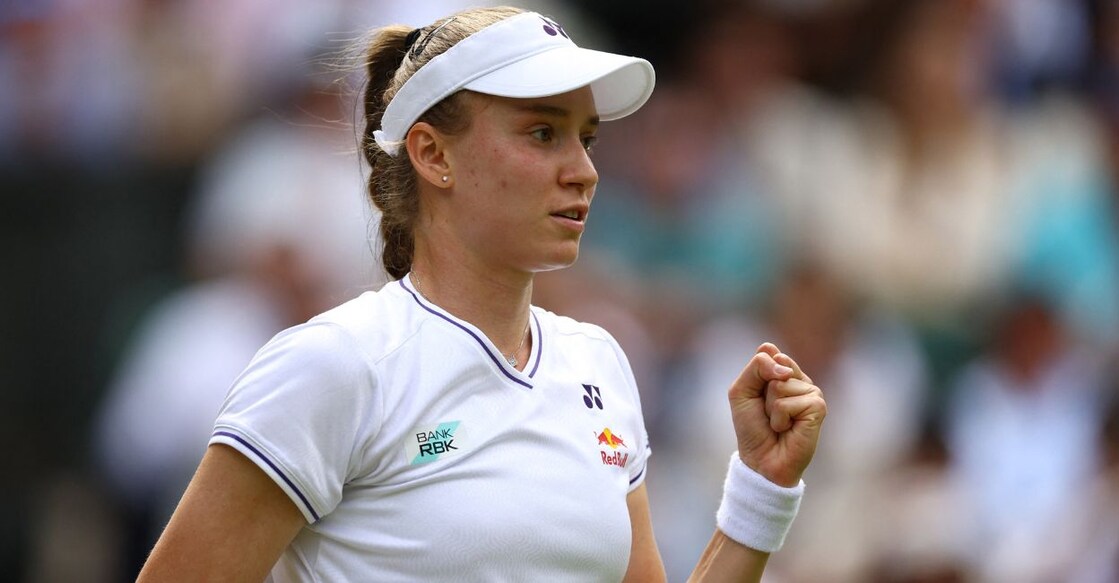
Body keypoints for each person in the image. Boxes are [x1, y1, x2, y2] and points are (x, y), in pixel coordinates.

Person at [137, 6, 826, 582]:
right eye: (542, 133)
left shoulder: (598, 363)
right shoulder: (337, 364)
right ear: (433, 155)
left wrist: (760, 490)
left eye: (585, 139)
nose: (583, 171)